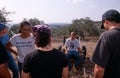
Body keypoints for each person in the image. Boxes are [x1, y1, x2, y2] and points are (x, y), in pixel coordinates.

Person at [92, 9, 120, 78]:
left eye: (103, 25)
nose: (105, 28)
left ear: (106, 21)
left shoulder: (107, 36)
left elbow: (99, 69)